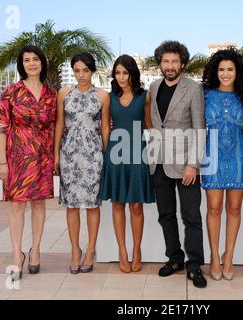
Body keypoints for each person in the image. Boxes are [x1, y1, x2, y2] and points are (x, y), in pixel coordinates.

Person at [148, 40, 207, 288]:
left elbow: (199, 128)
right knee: (166, 215)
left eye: (174, 61)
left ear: (182, 63)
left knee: (191, 217)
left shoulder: (193, 88)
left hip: (186, 165)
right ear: (160, 63)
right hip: (159, 162)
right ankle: (175, 258)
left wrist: (193, 164)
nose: (170, 66)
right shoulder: (154, 86)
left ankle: (194, 266)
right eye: (165, 61)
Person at [0, 45, 57, 280]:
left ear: (42, 63)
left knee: (39, 205)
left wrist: (54, 157)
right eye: (26, 60)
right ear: (22, 65)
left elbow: (53, 128)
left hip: (42, 157)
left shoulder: (51, 95)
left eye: (35, 59)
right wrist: (2, 162)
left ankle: (36, 250)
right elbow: (1, 128)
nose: (31, 63)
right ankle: (16, 255)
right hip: (17, 157)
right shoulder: (10, 92)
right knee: (17, 206)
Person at [53, 53, 110, 274]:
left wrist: (104, 155)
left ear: (92, 71)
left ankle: (90, 249)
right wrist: (56, 154)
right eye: (77, 70)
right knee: (72, 204)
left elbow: (105, 127)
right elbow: (59, 124)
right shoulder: (64, 93)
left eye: (85, 70)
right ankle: (75, 250)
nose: (81, 75)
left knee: (92, 204)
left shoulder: (103, 96)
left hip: (93, 154)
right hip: (69, 153)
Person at [100, 54, 155, 273]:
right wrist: (107, 153)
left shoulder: (145, 96)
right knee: (117, 204)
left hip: (138, 154)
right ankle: (122, 250)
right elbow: (105, 127)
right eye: (118, 73)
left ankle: (137, 250)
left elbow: (149, 127)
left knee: (136, 205)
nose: (121, 77)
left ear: (132, 73)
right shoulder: (108, 97)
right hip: (115, 154)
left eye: (125, 72)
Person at [200, 49, 243, 281]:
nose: (225, 73)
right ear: (215, 72)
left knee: (234, 209)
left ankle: (228, 256)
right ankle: (213, 255)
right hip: (212, 156)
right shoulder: (206, 96)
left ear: (237, 71)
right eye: (221, 69)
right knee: (213, 208)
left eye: (230, 69)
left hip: (239, 156)